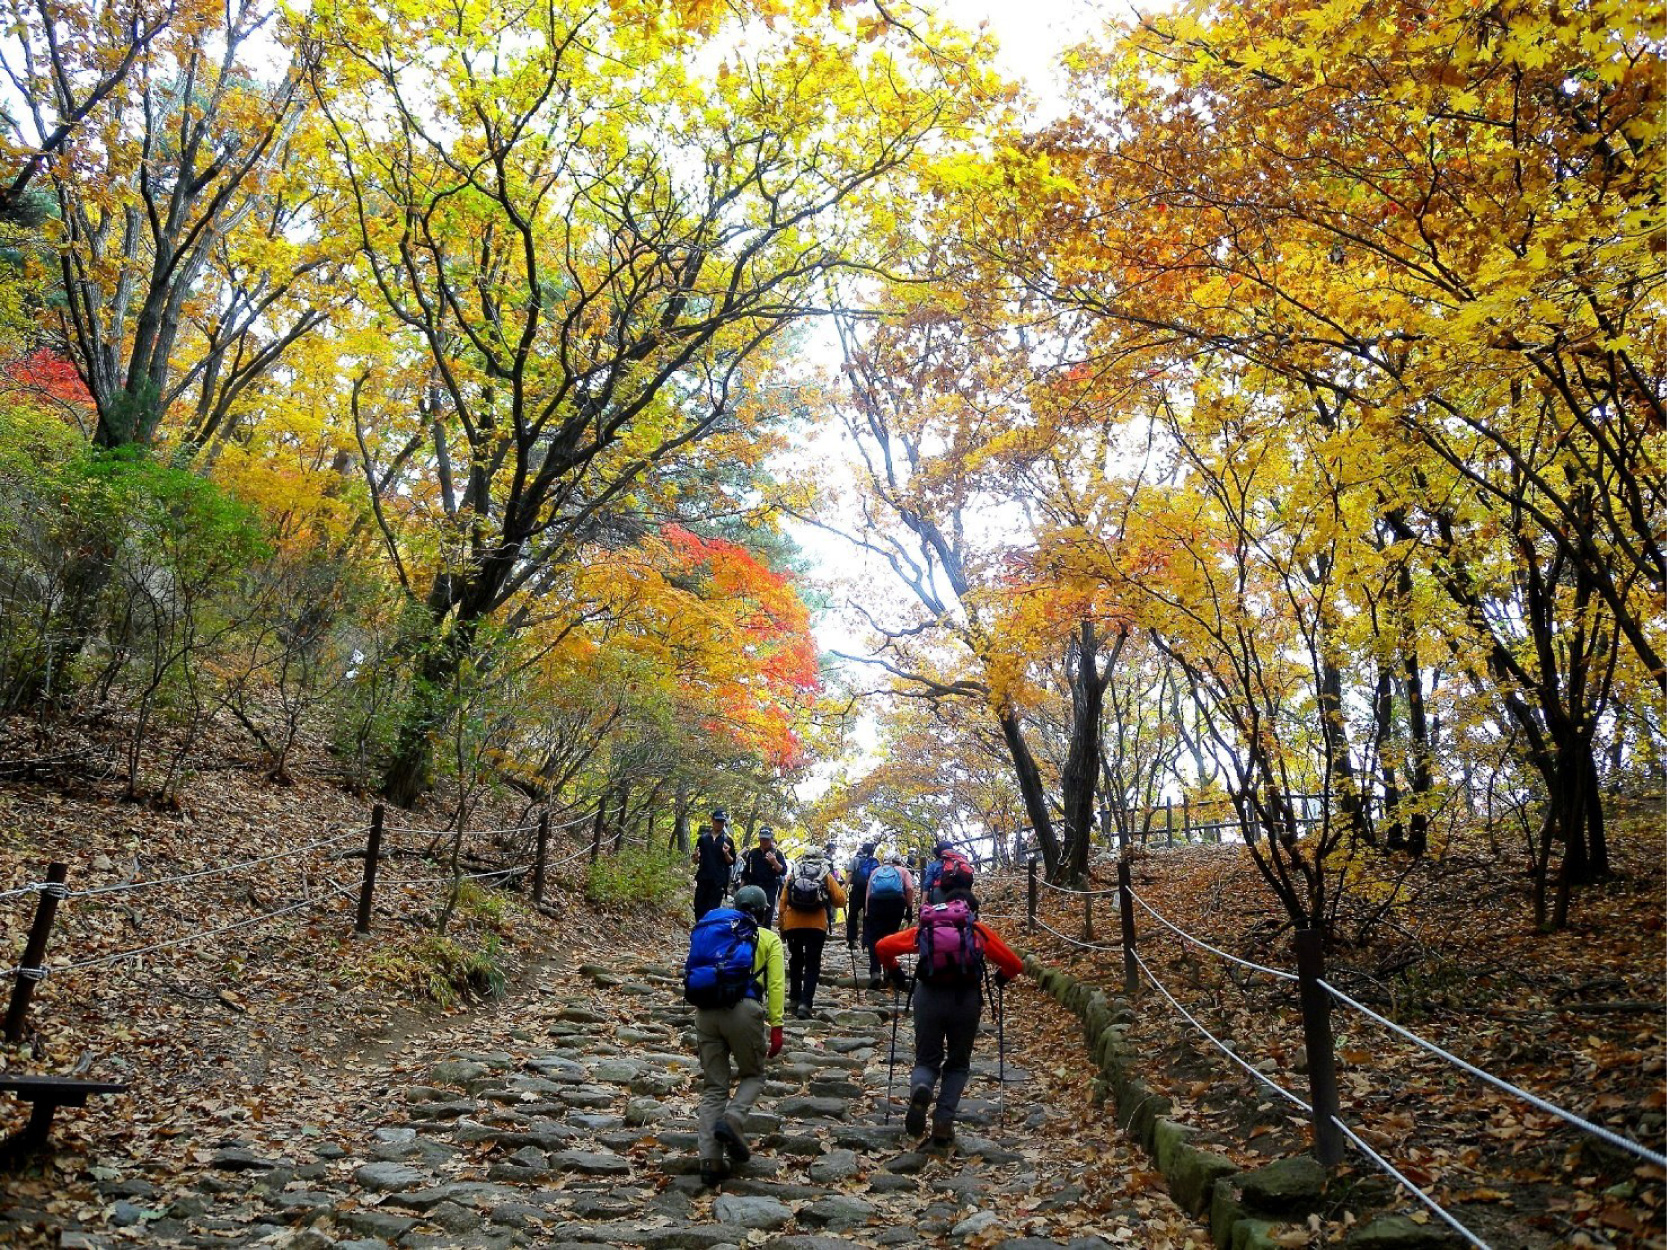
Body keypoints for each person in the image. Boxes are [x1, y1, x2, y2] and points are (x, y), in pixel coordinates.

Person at [876, 886, 1022, 1149]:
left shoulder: (926, 930)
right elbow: (1015, 964)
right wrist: (1001, 978)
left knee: (926, 1059)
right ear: (969, 911)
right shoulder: (977, 931)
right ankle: (943, 1121)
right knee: (957, 1063)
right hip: (965, 1001)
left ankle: (921, 1088)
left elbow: (882, 946)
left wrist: (896, 973)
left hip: (929, 997)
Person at [690, 885, 785, 1187]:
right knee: (753, 1075)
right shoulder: (768, 939)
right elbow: (777, 985)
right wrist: (777, 1025)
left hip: (706, 1010)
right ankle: (733, 1119)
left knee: (714, 1087)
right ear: (761, 911)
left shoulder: (715, 931)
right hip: (744, 1010)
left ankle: (710, 1161)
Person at [777, 845, 847, 1019]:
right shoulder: (825, 874)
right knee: (812, 963)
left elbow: (783, 901)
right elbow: (840, 901)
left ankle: (794, 998)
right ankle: (805, 1004)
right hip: (816, 926)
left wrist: (782, 926)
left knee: (796, 960)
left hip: (793, 925)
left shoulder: (795, 873)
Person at [862, 850, 914, 989]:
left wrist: (867, 911)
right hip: (896, 904)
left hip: (875, 904)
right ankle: (889, 971)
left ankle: (875, 972)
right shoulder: (903, 871)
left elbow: (869, 891)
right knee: (890, 937)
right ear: (898, 861)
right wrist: (909, 909)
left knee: (874, 939)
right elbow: (909, 888)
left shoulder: (876, 871)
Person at [691, 811, 736, 920]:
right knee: (699, 907)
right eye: (717, 821)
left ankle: (708, 933)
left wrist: (726, 853)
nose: (719, 824)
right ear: (712, 820)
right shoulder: (703, 838)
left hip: (718, 881)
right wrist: (696, 857)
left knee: (712, 911)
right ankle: (700, 930)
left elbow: (731, 861)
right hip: (703, 878)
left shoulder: (728, 840)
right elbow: (695, 860)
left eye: (722, 822)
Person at [739, 826, 788, 922]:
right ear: (759, 838)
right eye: (762, 839)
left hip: (769, 890)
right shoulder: (753, 852)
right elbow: (745, 872)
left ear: (771, 839)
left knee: (765, 918)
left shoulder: (777, 853)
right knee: (749, 916)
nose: (764, 841)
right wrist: (741, 890)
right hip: (752, 888)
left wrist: (774, 862)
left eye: (767, 839)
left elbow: (783, 871)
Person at [845, 841, 880, 948]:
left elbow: (850, 873)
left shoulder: (855, 859)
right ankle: (867, 941)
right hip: (870, 891)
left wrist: (845, 887)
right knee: (868, 915)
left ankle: (852, 940)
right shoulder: (875, 861)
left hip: (856, 891)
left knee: (852, 915)